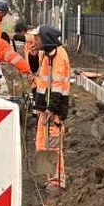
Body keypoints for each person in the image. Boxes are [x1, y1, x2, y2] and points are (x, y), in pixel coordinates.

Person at [32, 26, 71, 189]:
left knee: (53, 146)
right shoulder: (48, 55)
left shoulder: (58, 56)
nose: (34, 41)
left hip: (53, 112)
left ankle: (57, 181)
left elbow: (57, 86)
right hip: (46, 110)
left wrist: (52, 108)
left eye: (37, 38)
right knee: (42, 145)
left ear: (46, 39)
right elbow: (41, 78)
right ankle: (51, 179)